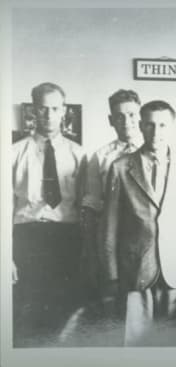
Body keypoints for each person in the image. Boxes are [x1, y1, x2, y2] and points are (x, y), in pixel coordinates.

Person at [98, 100, 176, 346]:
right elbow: (110, 225)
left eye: (163, 125)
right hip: (135, 267)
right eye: (150, 125)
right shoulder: (121, 167)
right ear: (141, 126)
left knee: (174, 340)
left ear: (172, 127)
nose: (157, 132)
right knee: (133, 340)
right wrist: (112, 274)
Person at [12, 82, 87, 347]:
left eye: (55, 109)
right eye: (42, 109)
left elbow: (84, 205)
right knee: (27, 310)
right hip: (26, 238)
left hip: (66, 238)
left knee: (65, 311)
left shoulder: (79, 154)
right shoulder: (13, 153)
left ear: (64, 111)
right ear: (33, 110)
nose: (48, 115)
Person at [81, 89, 143, 297]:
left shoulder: (155, 151)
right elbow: (91, 204)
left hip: (145, 238)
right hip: (113, 238)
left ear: (140, 116)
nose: (127, 121)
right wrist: (91, 250)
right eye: (119, 116)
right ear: (111, 120)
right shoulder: (100, 157)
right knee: (113, 298)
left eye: (132, 114)